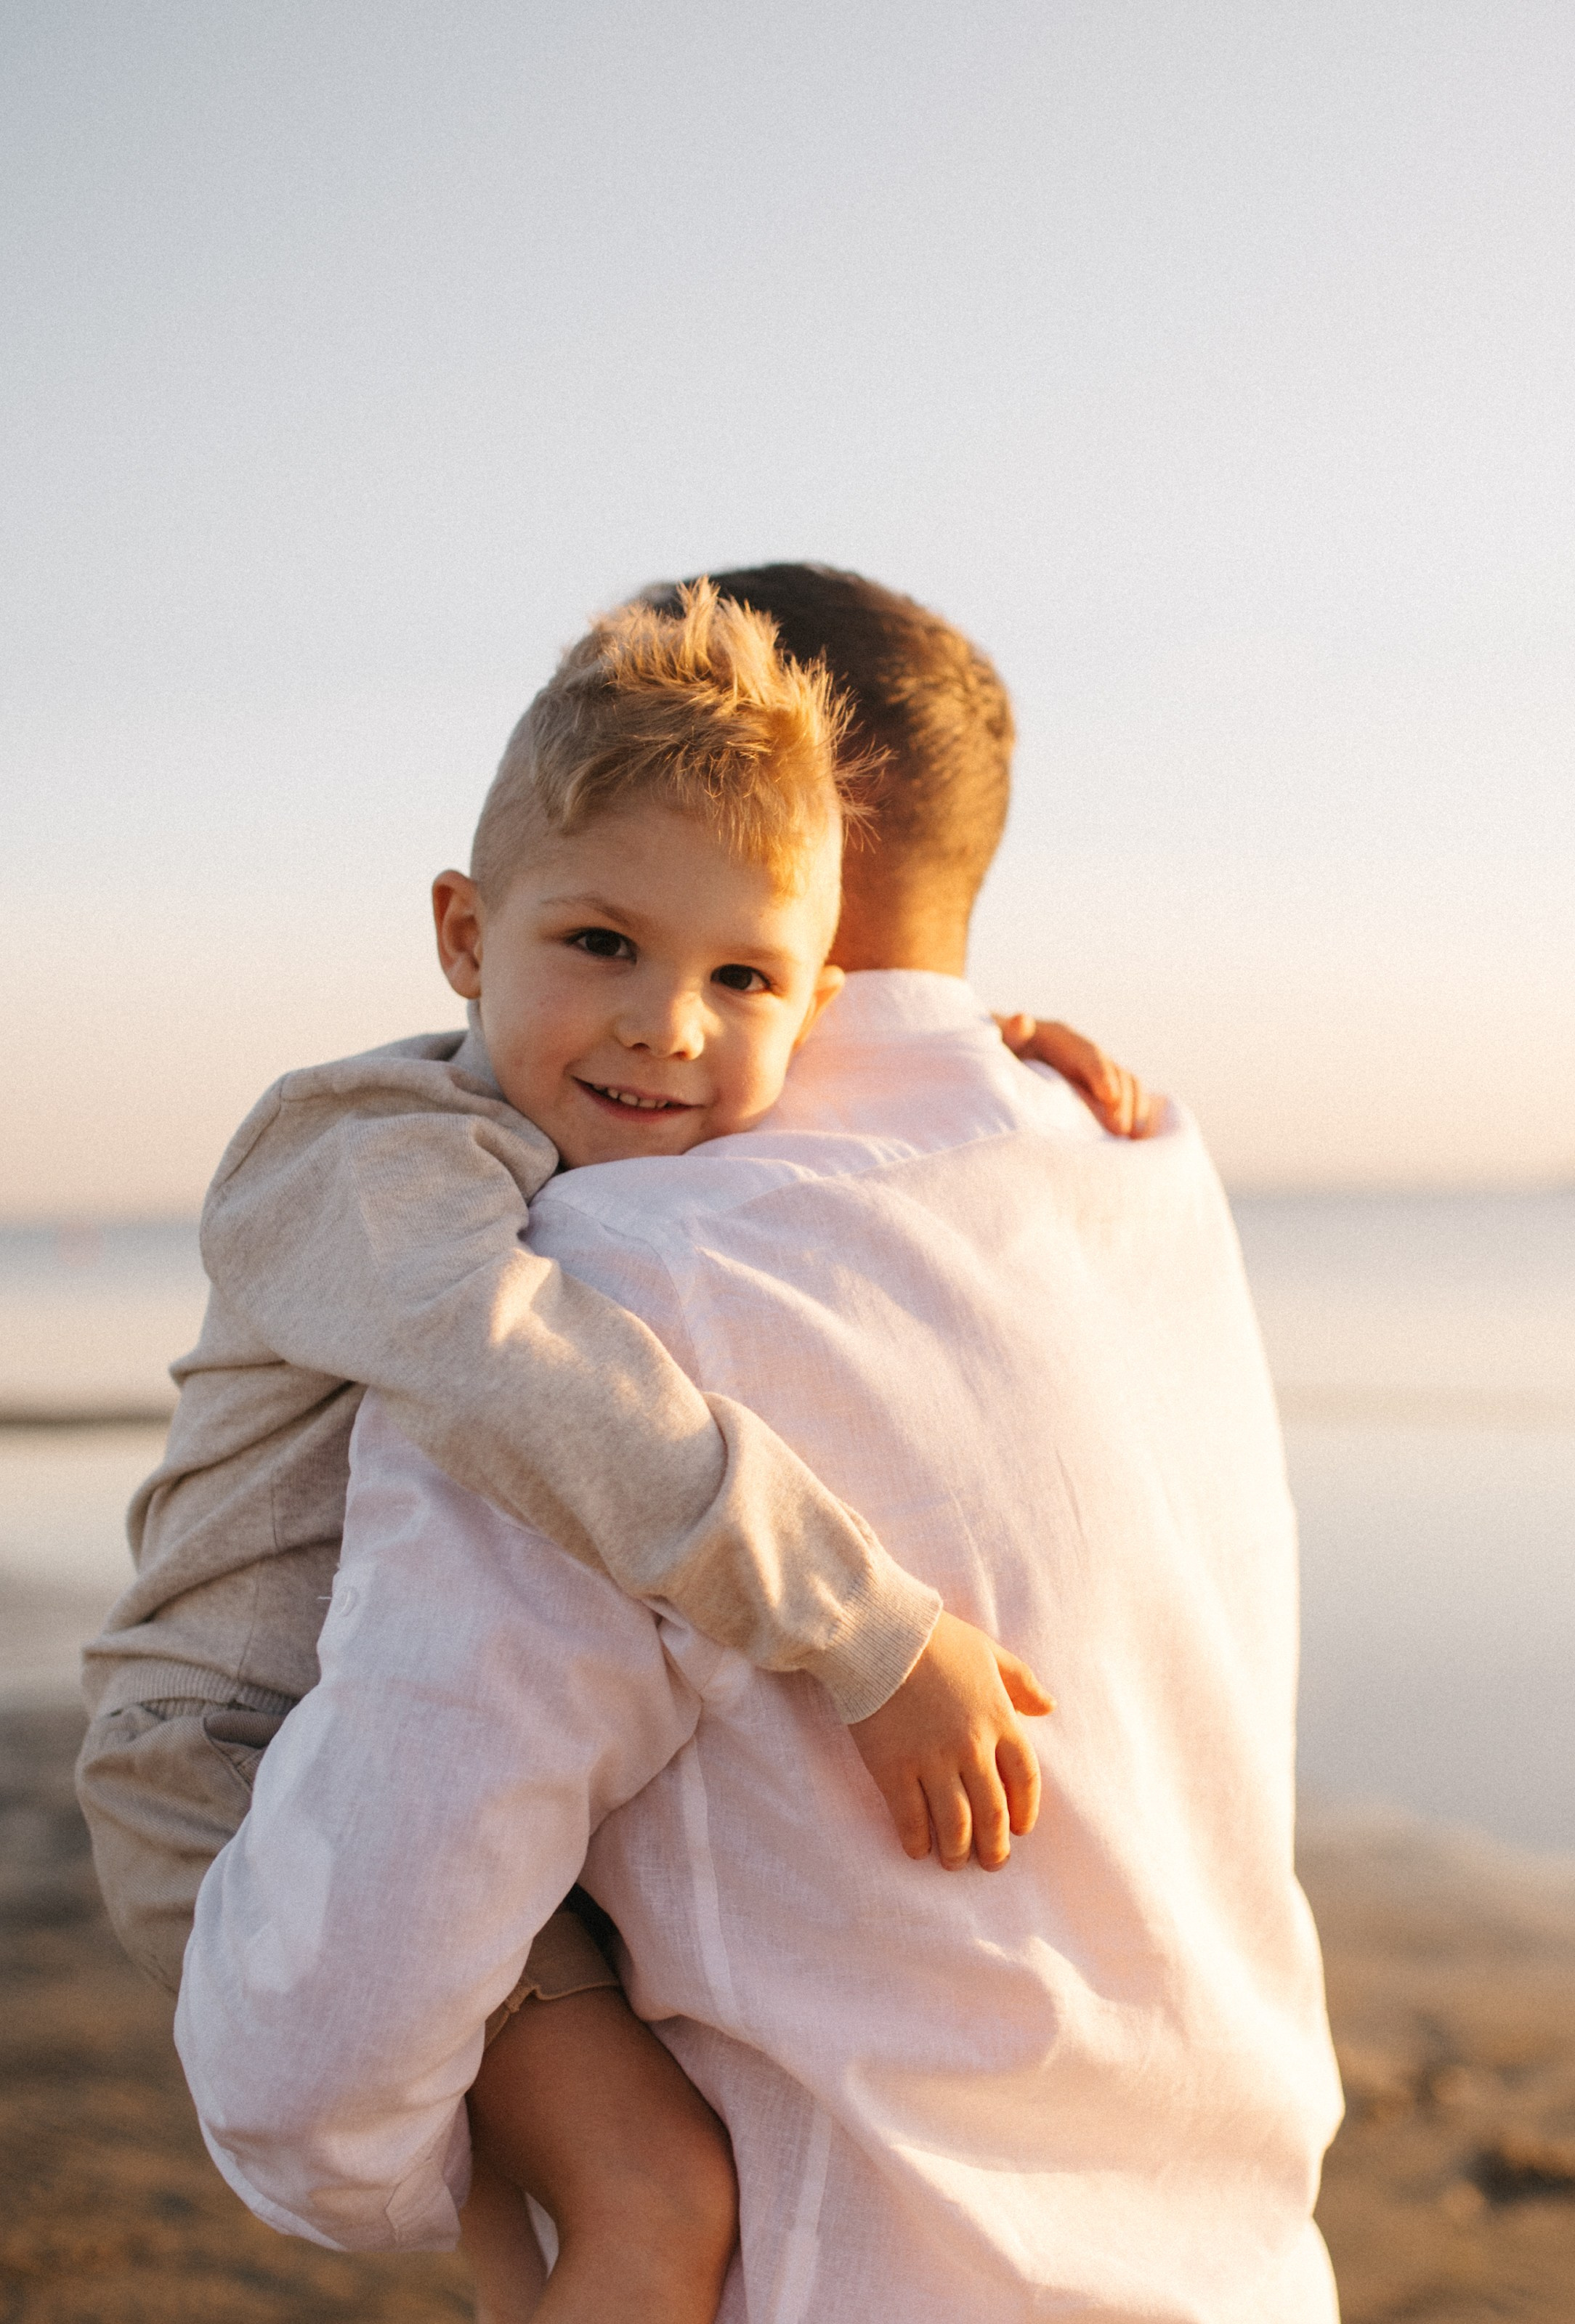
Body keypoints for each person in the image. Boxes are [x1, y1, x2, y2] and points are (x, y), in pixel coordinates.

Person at [175, 566, 1344, 2319]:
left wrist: (416, 2163)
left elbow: (330, 2034)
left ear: (804, 862)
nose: (665, 1021)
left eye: (744, 970)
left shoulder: (618, 1272)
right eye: (604, 941)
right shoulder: (1141, 1163)